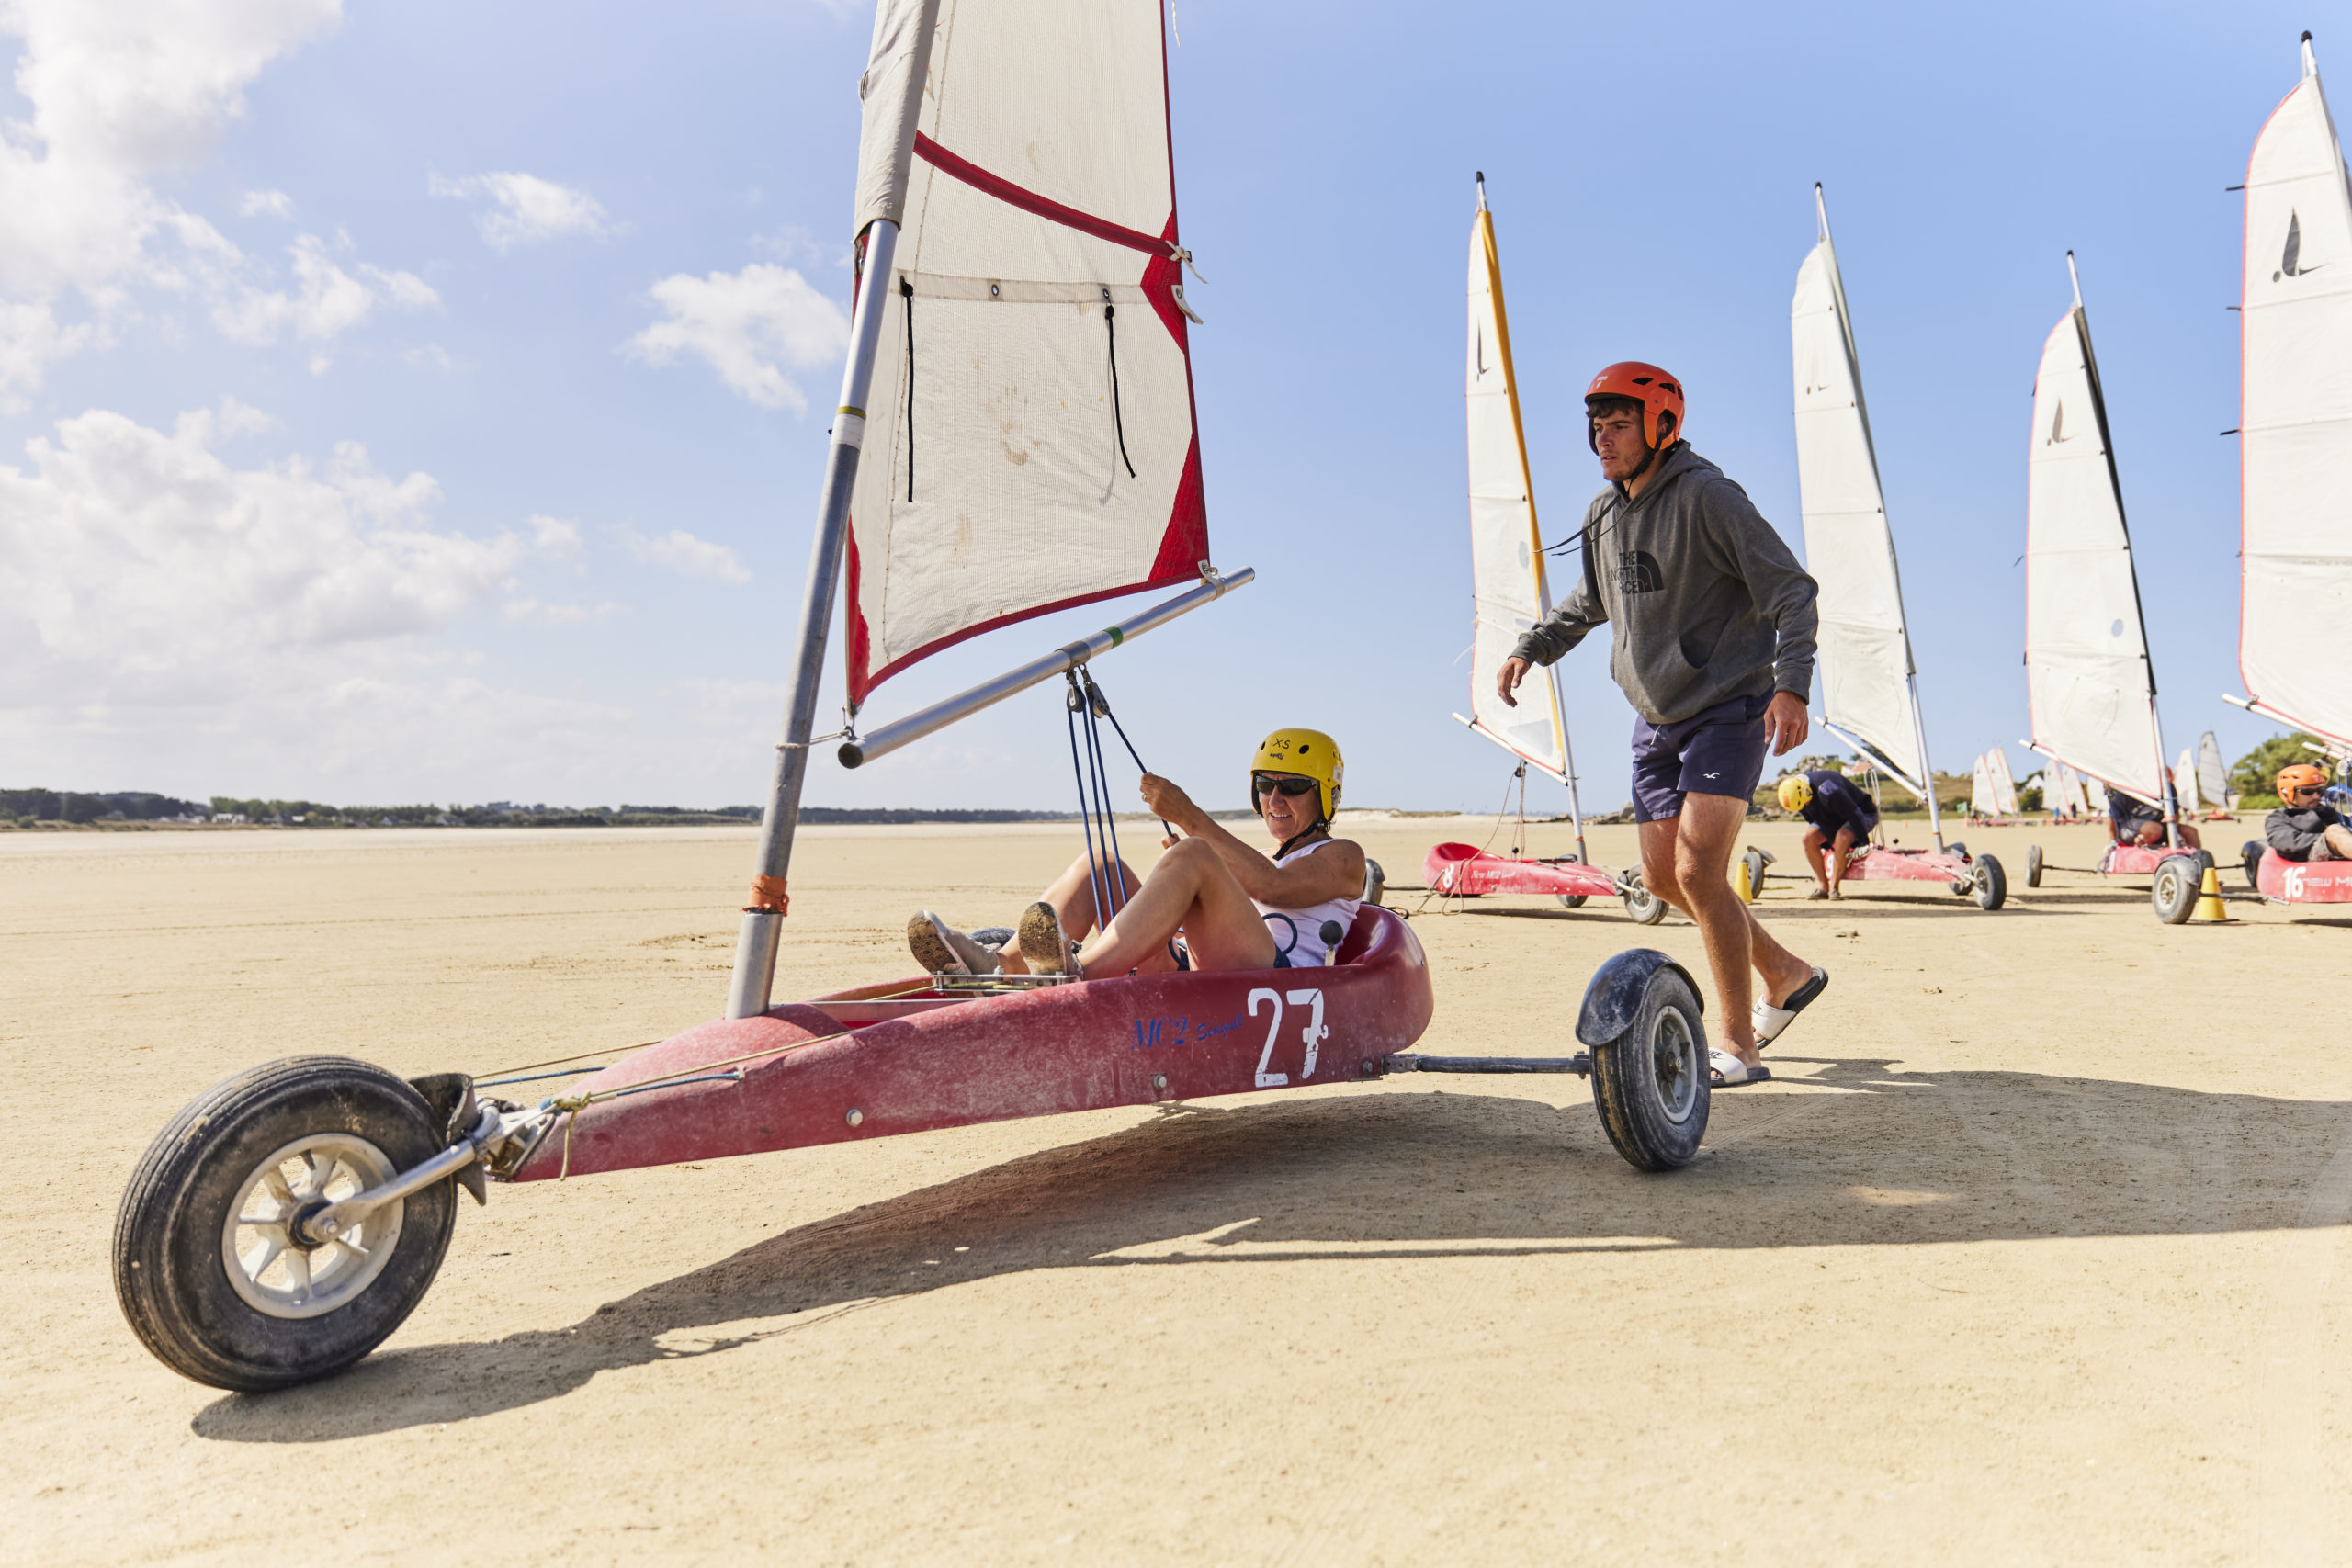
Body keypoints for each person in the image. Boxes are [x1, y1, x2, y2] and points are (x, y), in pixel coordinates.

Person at [1496, 362, 1825, 1089]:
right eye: (1595, 427)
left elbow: (1793, 591)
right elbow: (1591, 600)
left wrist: (1792, 687)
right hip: (1655, 717)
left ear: (1660, 424)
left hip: (1727, 706)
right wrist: (1532, 647)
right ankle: (1784, 971)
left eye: (1617, 425)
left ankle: (1740, 1045)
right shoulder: (1601, 513)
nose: (1601, 439)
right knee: (1662, 878)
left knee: (1698, 869)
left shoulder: (1710, 497)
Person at [907, 728, 1365, 980]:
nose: (1275, 799)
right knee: (1099, 865)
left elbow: (1274, 885)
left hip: (1277, 980)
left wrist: (1190, 821)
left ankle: (1079, 972)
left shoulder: (1345, 856)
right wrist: (1187, 888)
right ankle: (1001, 966)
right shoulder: (1256, 854)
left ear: (1326, 795)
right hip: (1192, 963)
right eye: (1265, 786)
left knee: (1196, 854)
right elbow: (1239, 892)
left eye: (1293, 787)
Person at [1778, 769, 1878, 899]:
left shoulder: (1828, 790)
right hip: (1833, 819)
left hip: (1862, 813)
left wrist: (1863, 842)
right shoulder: (1799, 800)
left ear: (1806, 790)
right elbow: (1811, 820)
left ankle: (1834, 889)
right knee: (1808, 838)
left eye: (1806, 802)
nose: (1806, 805)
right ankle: (1823, 887)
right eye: (1802, 806)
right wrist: (1827, 845)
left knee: (1842, 836)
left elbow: (1854, 813)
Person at [2265, 762, 2352, 861]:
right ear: (2288, 792)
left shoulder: (2325, 811)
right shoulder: (2278, 818)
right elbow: (2289, 842)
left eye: (2320, 791)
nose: (2316, 796)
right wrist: (2329, 838)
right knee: (2334, 830)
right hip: (2310, 854)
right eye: (2307, 792)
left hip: (2336, 849)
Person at [2109, 788, 2200, 852]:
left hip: (2160, 825)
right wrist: (2113, 841)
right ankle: (2140, 849)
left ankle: (2196, 860)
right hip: (2129, 829)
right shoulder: (2125, 792)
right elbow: (2112, 818)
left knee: (2191, 832)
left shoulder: (2167, 787)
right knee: (2154, 829)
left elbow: (2175, 814)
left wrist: (2175, 831)